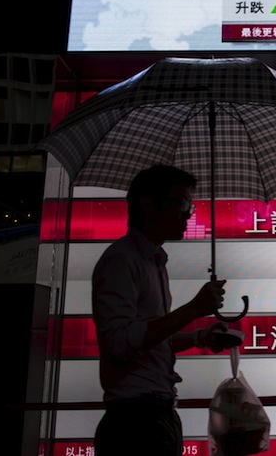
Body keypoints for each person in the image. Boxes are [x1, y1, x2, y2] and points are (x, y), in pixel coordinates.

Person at [92, 164, 230, 456]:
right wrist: (193, 309)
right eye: (181, 203)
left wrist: (199, 338)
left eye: (190, 206)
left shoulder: (154, 261)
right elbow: (119, 342)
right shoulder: (121, 260)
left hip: (157, 413)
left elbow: (148, 340)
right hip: (135, 423)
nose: (188, 214)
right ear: (147, 205)